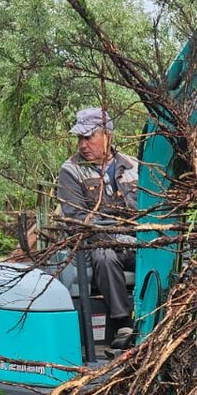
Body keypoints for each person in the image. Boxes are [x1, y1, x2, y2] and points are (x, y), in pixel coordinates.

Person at [55, 106, 139, 327]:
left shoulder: (134, 167)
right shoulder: (71, 171)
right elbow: (78, 220)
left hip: (137, 244)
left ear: (107, 136)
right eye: (80, 138)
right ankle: (122, 324)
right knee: (104, 256)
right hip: (94, 246)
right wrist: (119, 239)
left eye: (89, 137)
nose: (83, 144)